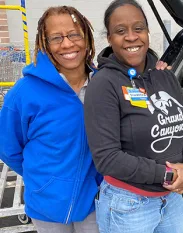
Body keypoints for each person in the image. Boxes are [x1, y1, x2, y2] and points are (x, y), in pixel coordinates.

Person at [0, 5, 169, 233]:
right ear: (44, 43)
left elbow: (142, 118)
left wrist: (156, 74)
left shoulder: (107, 84)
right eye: (56, 38)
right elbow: (9, 149)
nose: (68, 44)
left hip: (96, 202)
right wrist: (44, 180)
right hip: (47, 207)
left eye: (74, 35)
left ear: (87, 39)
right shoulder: (24, 93)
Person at [84, 1, 183, 233]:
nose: (131, 37)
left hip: (171, 200)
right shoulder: (104, 84)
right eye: (121, 31)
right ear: (109, 38)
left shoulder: (164, 76)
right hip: (128, 205)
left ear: (147, 32)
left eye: (138, 28)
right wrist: (171, 174)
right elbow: (107, 158)